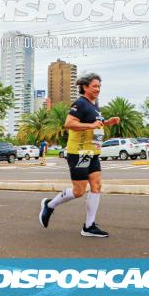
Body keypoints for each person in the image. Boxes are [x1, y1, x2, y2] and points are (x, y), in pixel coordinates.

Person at [38, 73, 120, 237]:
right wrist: (91, 125)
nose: (98, 89)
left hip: (93, 152)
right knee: (79, 191)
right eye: (94, 86)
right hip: (80, 152)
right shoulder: (80, 103)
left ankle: (89, 226)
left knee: (96, 186)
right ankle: (50, 205)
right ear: (85, 87)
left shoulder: (94, 105)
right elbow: (69, 123)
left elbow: (95, 125)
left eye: (99, 86)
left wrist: (107, 122)